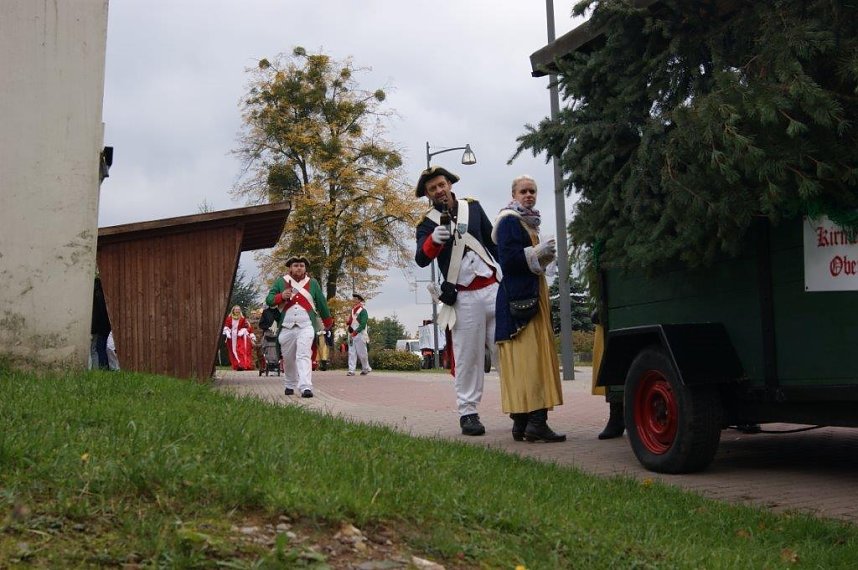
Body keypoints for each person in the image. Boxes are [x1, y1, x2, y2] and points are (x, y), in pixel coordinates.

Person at [414, 165, 500, 436]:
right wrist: (432, 241)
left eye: (441, 185)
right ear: (428, 194)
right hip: (463, 297)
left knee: (507, 351)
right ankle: (468, 412)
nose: (439, 190)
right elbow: (421, 259)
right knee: (468, 358)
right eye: (432, 188)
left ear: (450, 184)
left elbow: (492, 243)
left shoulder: (472, 207)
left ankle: (520, 408)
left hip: (492, 289)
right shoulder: (426, 224)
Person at [493, 175, 565, 442]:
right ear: (513, 194)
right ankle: (536, 423)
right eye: (523, 191)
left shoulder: (529, 222)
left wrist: (544, 256)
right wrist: (536, 253)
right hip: (520, 301)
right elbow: (508, 261)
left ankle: (522, 424)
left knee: (527, 360)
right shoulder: (509, 220)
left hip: (531, 295)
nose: (528, 195)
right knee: (531, 361)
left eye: (532, 191)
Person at [265, 255, 333, 398]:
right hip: (286, 326)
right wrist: (281, 296)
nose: (299, 268)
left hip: (306, 326)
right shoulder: (281, 282)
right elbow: (269, 300)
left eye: (301, 265)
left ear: (305, 268)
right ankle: (290, 384)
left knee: (304, 354)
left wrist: (328, 323)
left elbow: (321, 303)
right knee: (288, 358)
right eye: (296, 265)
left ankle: (305, 386)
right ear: (290, 268)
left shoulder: (312, 283)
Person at [346, 293, 372, 376]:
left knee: (362, 353)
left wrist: (355, 332)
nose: (353, 300)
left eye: (355, 299)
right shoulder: (352, 310)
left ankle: (366, 368)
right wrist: (348, 322)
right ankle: (351, 370)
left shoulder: (363, 311)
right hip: (351, 333)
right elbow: (351, 322)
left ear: (359, 300)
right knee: (351, 352)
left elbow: (363, 324)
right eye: (353, 299)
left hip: (360, 334)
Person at [223, 305, 254, 371]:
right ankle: (237, 365)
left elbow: (246, 327)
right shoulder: (229, 318)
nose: (237, 310)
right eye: (236, 309)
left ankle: (241, 364)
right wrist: (227, 332)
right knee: (233, 351)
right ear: (233, 310)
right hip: (231, 337)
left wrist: (243, 331)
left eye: (238, 309)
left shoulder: (242, 318)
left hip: (239, 336)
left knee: (240, 350)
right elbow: (226, 326)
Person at [90, 277, 111, 370]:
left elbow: (96, 313)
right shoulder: (103, 295)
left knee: (96, 349)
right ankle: (101, 368)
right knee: (99, 349)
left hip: (97, 327)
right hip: (104, 326)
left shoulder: (95, 296)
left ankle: (100, 367)